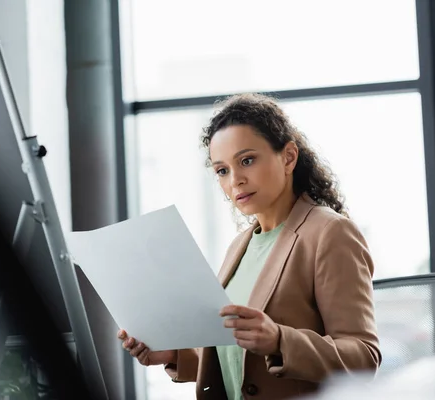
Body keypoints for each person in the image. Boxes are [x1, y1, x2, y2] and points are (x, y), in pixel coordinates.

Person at [117, 93, 381, 400]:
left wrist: (280, 341)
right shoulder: (239, 246)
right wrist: (173, 355)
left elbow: (363, 358)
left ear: (288, 157)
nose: (235, 180)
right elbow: (235, 357)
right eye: (222, 170)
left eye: (247, 160)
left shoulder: (329, 233)